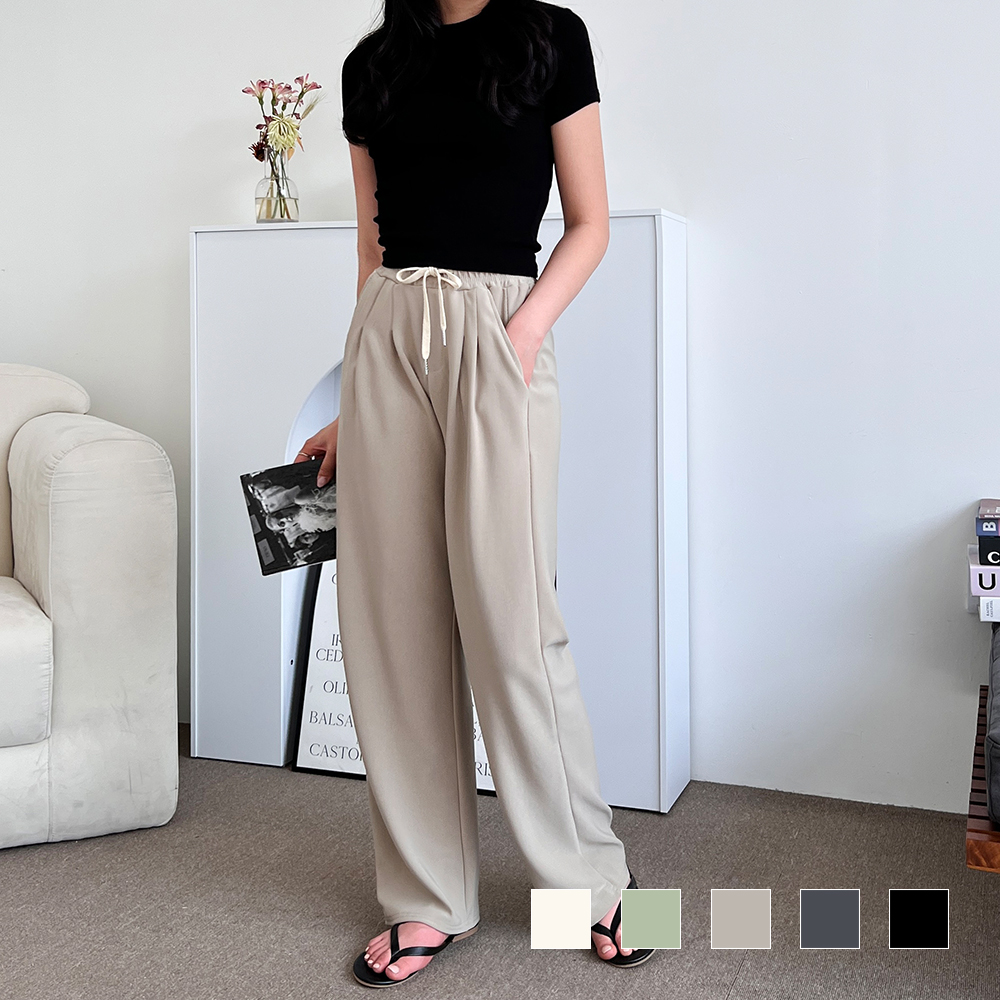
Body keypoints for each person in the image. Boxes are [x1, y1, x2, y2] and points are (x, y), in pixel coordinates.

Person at [294, 0, 654, 986]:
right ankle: (427, 896)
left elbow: (589, 224)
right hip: (387, 343)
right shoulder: (372, 65)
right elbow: (372, 250)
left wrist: (522, 335)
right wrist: (349, 399)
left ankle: (595, 883)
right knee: (393, 631)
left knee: (513, 622)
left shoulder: (550, 38)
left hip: (501, 334)